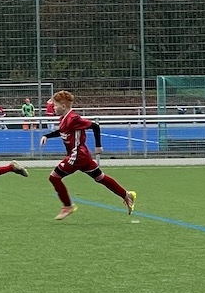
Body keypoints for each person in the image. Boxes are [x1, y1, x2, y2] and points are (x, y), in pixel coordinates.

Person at [38, 90, 136, 221]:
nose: (53, 108)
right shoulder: (64, 118)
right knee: (100, 177)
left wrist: (98, 146)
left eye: (55, 105)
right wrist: (47, 136)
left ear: (63, 106)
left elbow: (95, 126)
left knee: (54, 177)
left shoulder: (73, 118)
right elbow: (62, 131)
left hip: (77, 156)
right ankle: (126, 194)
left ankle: (67, 206)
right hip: (83, 156)